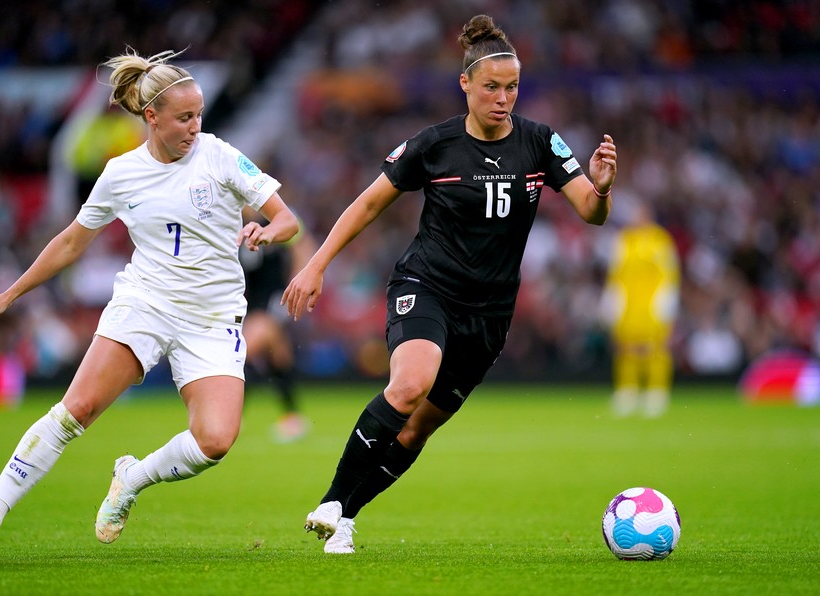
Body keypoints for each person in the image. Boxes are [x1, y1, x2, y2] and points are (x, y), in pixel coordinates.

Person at [281, 14, 617, 554]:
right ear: (465, 84)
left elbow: (590, 211)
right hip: (427, 286)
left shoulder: (541, 143)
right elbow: (368, 203)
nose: (502, 98)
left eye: (511, 88)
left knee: (415, 432)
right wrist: (316, 264)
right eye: (491, 87)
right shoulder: (434, 146)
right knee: (409, 386)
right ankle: (331, 502)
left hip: (489, 315)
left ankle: (345, 516)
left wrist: (600, 190)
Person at [0, 48, 298, 561]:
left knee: (216, 441)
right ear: (151, 117)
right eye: (184, 117)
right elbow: (71, 242)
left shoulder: (220, 156)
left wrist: (266, 231)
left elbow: (287, 218)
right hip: (146, 303)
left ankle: (131, 477)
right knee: (77, 409)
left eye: (199, 114)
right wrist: (9, 294)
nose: (195, 126)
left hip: (213, 316)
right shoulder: (120, 174)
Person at [240, 209, 316, 442]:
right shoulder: (232, 222)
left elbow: (304, 247)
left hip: (273, 299)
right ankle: (292, 417)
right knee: (277, 356)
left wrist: (298, 283)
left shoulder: (277, 220)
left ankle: (231, 415)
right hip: (247, 302)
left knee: (243, 352)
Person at [601, 198, 680, 417]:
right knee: (626, 348)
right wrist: (611, 300)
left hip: (653, 304)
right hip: (628, 304)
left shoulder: (660, 240)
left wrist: (667, 301)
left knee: (655, 348)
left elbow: (670, 273)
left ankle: (656, 392)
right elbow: (615, 272)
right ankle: (627, 391)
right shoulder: (624, 240)